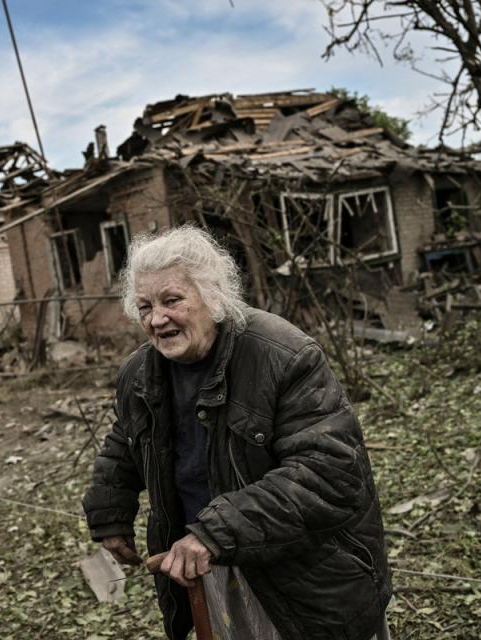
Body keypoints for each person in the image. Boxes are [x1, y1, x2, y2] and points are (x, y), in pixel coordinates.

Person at [82, 225, 392, 640]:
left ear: (212, 295)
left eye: (171, 300)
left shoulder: (284, 356)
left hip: (307, 573)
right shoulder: (140, 372)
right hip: (208, 566)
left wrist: (216, 531)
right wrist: (109, 507)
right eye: (144, 306)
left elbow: (329, 474)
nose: (156, 319)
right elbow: (126, 439)